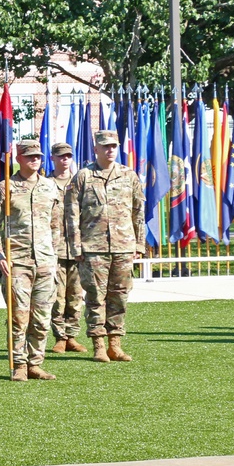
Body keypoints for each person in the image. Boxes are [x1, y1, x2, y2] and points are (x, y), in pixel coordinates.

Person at [65, 129, 146, 362]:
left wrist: (139, 244)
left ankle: (115, 343)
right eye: (105, 146)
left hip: (123, 245)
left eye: (113, 146)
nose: (110, 150)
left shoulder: (129, 176)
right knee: (94, 297)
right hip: (93, 247)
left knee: (119, 296)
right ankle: (98, 344)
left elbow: (138, 211)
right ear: (96, 149)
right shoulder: (83, 177)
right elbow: (71, 214)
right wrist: (75, 246)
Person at [0, 139, 60, 381]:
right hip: (16, 261)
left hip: (45, 260)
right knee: (19, 316)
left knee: (42, 316)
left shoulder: (49, 187)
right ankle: (19, 363)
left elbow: (55, 223)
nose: (34, 160)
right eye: (29, 157)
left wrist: (54, 253)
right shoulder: (5, 187)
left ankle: (35, 363)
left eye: (37, 156)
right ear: (18, 159)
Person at [48, 143, 87, 354]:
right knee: (57, 296)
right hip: (53, 248)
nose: (65, 159)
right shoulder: (45, 184)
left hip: (77, 248)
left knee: (75, 295)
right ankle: (60, 337)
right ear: (53, 158)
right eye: (61, 156)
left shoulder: (80, 182)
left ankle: (72, 336)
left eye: (68, 156)